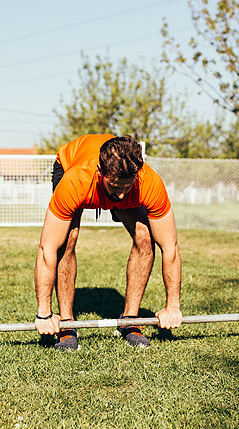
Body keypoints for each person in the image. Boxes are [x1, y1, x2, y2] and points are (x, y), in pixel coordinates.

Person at [34, 134, 183, 351]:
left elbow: (170, 248)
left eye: (127, 187)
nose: (122, 196)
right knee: (67, 240)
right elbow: (47, 248)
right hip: (69, 165)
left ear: (136, 175)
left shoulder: (149, 182)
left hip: (107, 182)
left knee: (145, 238)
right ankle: (67, 325)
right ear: (100, 173)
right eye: (115, 187)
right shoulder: (76, 180)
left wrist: (173, 306)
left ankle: (129, 321)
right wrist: (44, 313)